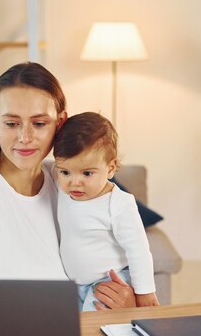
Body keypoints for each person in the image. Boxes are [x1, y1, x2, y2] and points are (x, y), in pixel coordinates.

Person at [0, 62, 136, 309]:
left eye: (39, 124)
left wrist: (125, 299)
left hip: (65, 334)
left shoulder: (63, 182)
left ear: (60, 123)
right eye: (12, 123)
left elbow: (108, 244)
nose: (25, 137)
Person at [53, 112, 159, 311]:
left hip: (107, 283)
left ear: (111, 168)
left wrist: (145, 292)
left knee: (94, 329)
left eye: (87, 173)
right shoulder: (61, 189)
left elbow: (139, 250)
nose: (75, 182)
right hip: (74, 284)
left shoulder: (119, 204)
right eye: (65, 172)